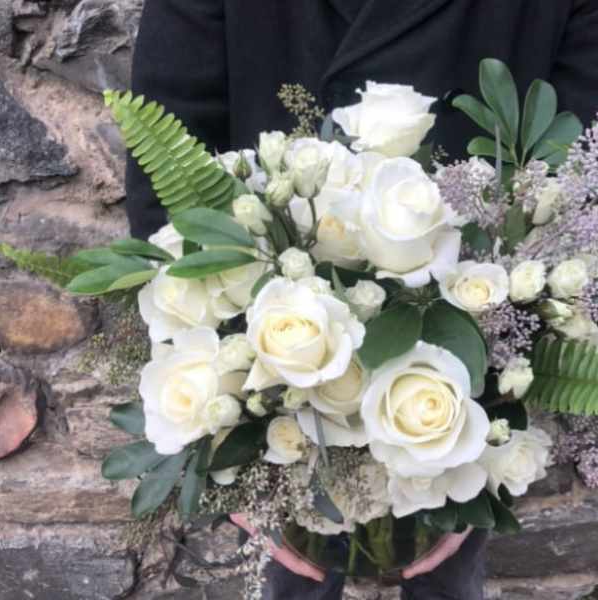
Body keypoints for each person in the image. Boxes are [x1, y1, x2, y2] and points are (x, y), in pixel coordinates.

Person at [125, 2, 598, 598]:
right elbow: (169, 157)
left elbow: (576, 179)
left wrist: (488, 453)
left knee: (441, 578)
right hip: (271, 346)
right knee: (297, 578)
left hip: (471, 351)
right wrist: (220, 433)